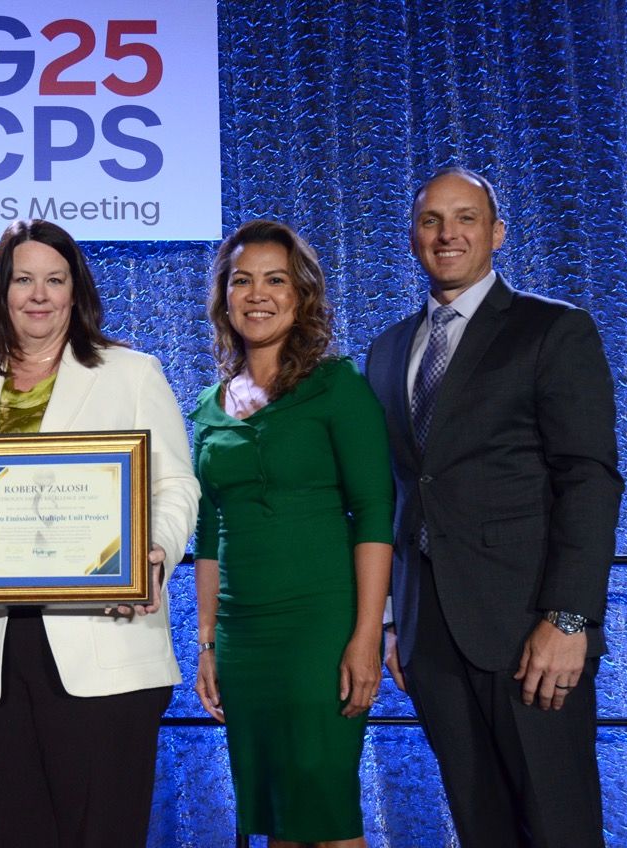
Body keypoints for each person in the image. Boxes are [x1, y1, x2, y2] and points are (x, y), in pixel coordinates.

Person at [0, 219, 199, 847]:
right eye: (24, 280)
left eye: (54, 279)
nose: (38, 295)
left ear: (76, 292)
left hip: (105, 637)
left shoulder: (132, 373)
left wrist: (154, 555)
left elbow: (176, 487)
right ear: (2, 292)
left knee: (100, 832)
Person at [365, 167, 623, 847]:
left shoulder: (552, 331)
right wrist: (396, 621)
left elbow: (589, 480)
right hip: (432, 638)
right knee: (481, 829)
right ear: (412, 236)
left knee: (558, 826)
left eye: (466, 218)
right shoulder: (388, 350)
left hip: (531, 632)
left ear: (497, 233)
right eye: (430, 221)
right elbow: (402, 489)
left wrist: (568, 618)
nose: (447, 234)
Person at [190, 219, 393, 847]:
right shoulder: (205, 407)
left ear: (301, 295)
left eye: (275, 280)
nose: (257, 294)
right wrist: (206, 643)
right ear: (224, 297)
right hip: (243, 637)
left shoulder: (338, 387)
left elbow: (376, 512)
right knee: (277, 811)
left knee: (325, 804)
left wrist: (367, 636)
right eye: (242, 280)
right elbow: (207, 532)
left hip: (321, 628)